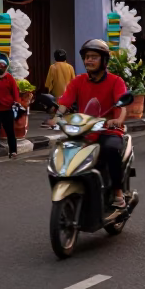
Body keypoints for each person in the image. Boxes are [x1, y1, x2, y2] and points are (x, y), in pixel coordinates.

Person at [56, 38, 129, 209]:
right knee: (62, 150)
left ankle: (118, 193)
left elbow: (122, 105)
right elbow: (65, 102)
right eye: (87, 57)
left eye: (94, 57)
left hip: (108, 130)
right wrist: (57, 116)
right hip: (84, 131)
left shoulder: (115, 81)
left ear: (103, 60)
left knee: (111, 149)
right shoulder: (78, 81)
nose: (89, 60)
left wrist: (117, 120)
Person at [38, 49, 75, 120]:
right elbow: (73, 80)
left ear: (55, 57)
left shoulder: (53, 67)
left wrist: (47, 89)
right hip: (68, 92)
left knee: (56, 108)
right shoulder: (70, 67)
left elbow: (48, 82)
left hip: (56, 92)